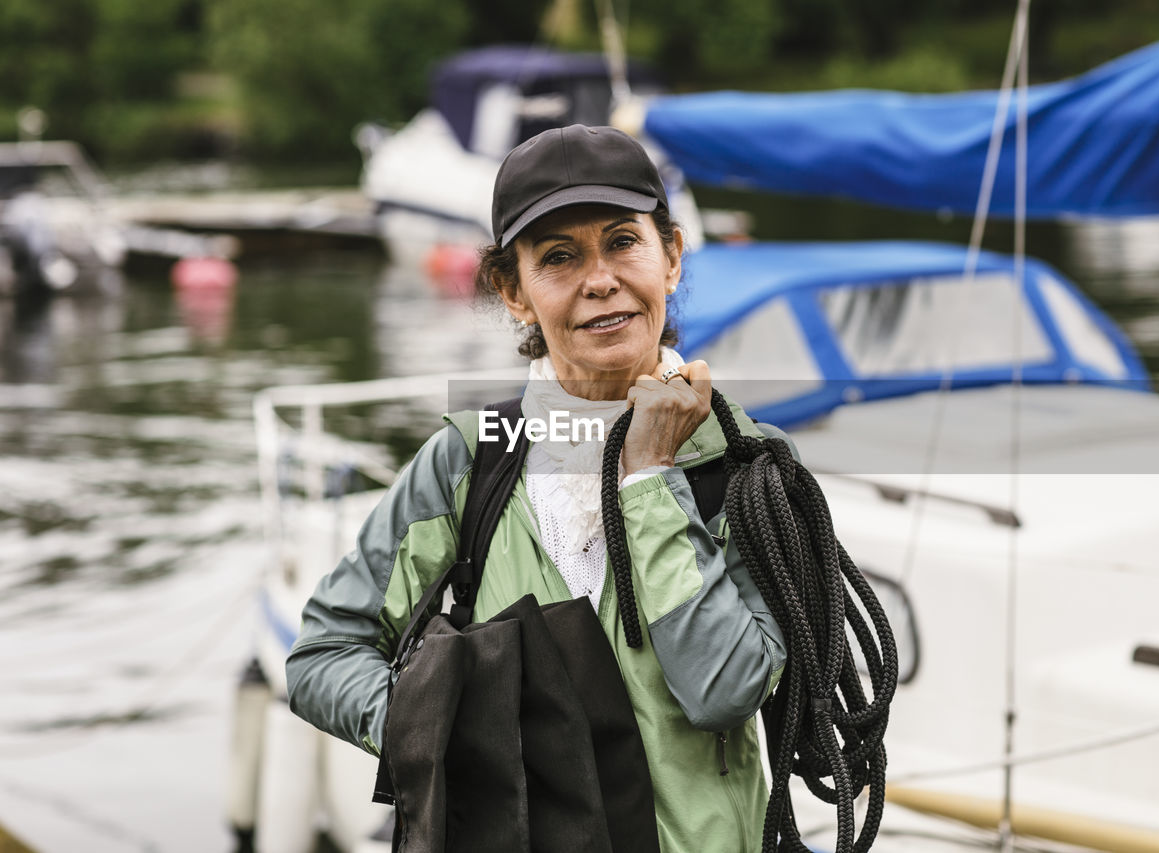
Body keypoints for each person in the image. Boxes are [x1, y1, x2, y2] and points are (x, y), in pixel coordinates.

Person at [286, 124, 793, 852]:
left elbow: (722, 692)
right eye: (558, 257)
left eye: (623, 241)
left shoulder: (754, 466)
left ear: (672, 256)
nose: (599, 279)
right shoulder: (467, 464)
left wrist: (650, 476)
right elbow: (322, 654)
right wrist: (438, 719)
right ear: (513, 290)